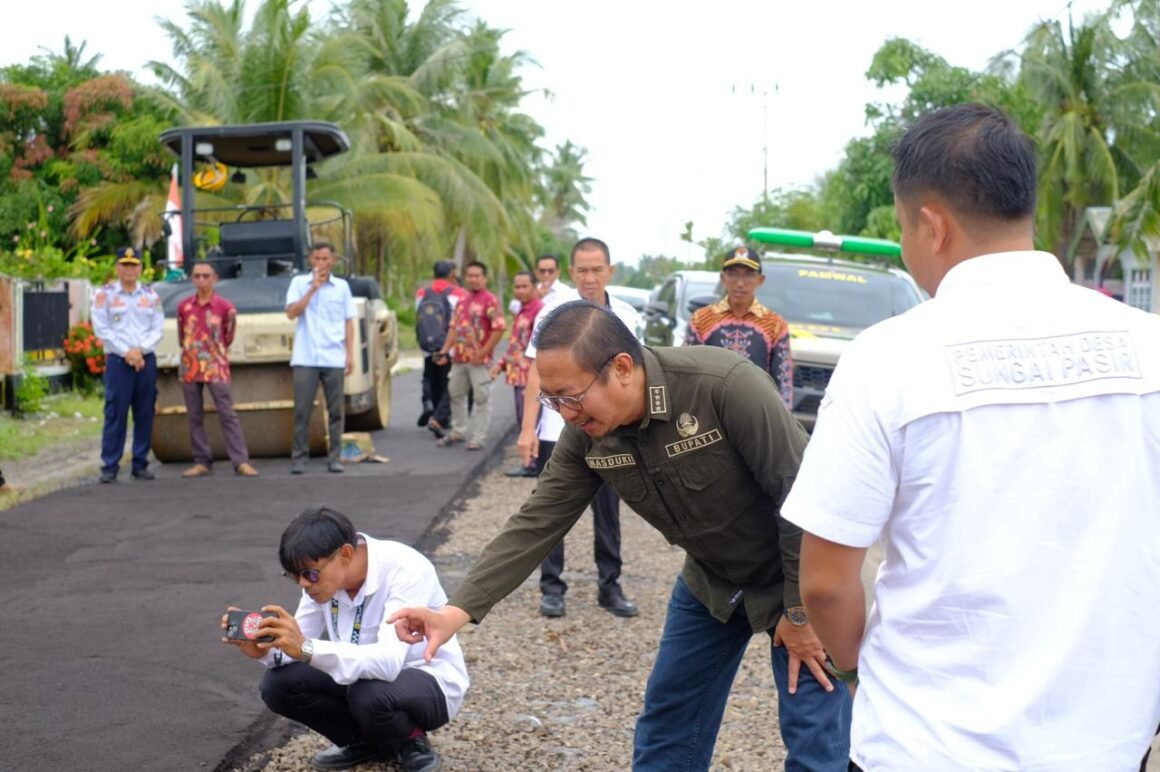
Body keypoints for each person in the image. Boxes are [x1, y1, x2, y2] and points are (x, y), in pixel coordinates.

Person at [783, 104, 1160, 771]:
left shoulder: (887, 359)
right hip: (1104, 745)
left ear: (932, 226)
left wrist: (859, 673)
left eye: (903, 227)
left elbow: (826, 583)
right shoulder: (1148, 348)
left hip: (927, 745)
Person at [390, 301, 852, 770]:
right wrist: (453, 613)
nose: (564, 413)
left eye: (571, 396)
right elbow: (537, 520)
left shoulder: (723, 386)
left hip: (800, 575)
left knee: (813, 734)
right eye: (551, 400)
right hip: (711, 580)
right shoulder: (588, 433)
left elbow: (804, 499)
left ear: (623, 369)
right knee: (669, 722)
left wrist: (800, 612)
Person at [221, 506, 467, 772]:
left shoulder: (405, 570)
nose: (303, 584)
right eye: (294, 576)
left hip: (428, 680)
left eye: (309, 573)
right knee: (278, 685)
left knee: (368, 693)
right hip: (362, 679)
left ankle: (411, 742)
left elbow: (388, 663)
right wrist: (264, 651)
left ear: (346, 554)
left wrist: (305, 647)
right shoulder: (320, 582)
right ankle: (366, 742)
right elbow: (299, 643)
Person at [518, 238, 641, 618]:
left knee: (609, 513)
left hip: (609, 431)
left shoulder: (626, 316)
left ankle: (610, 585)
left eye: (597, 270)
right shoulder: (552, 315)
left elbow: (637, 375)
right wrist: (528, 430)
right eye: (582, 270)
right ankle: (552, 587)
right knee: (552, 509)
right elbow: (535, 375)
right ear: (572, 273)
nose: (590, 277)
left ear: (610, 271)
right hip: (558, 430)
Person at [686, 246, 794, 411]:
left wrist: (782, 417)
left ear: (760, 280)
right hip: (710, 410)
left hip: (756, 410)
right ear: (723, 278)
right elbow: (688, 371)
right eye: (733, 274)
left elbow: (783, 379)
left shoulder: (775, 324)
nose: (740, 283)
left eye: (749, 275)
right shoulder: (701, 319)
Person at [177, 261, 258, 478]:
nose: (201, 280)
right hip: (190, 366)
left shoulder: (225, 307)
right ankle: (201, 460)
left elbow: (228, 336)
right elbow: (181, 336)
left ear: (215, 279)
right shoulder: (184, 306)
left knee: (227, 413)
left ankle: (240, 461)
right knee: (194, 415)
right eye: (197, 276)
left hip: (216, 366)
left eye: (206, 276)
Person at [92, 246, 164, 483]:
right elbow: (102, 329)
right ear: (117, 267)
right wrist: (127, 353)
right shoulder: (104, 295)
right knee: (116, 412)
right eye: (125, 265)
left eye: (134, 265)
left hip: (145, 359)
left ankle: (140, 463)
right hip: (118, 361)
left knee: (144, 412)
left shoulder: (151, 296)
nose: (129, 270)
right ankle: (110, 465)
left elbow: (157, 329)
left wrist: (140, 351)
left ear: (141, 268)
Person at [285, 242, 356, 475]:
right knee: (302, 410)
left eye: (325, 259)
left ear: (333, 260)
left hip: (333, 356)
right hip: (306, 356)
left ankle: (334, 458)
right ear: (310, 260)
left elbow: (348, 321)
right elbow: (291, 313)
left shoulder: (342, 287)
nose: (321, 263)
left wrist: (350, 354)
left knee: (336, 411)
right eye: (317, 258)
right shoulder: (298, 283)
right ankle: (299, 458)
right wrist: (312, 289)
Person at [430, 261, 504, 451]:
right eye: (470, 275)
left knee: (481, 398)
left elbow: (498, 329)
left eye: (477, 276)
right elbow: (454, 328)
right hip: (459, 359)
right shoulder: (462, 300)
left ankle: (478, 437)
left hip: (480, 361)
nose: (473, 279)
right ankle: (458, 431)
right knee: (455, 394)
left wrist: (483, 352)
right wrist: (444, 351)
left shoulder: (491, 300)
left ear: (485, 278)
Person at [489, 270, 543, 433]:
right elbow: (516, 344)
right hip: (518, 375)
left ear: (534, 287)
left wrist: (535, 383)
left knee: (530, 423)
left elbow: (542, 348)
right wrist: (500, 365)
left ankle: (533, 450)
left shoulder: (539, 311)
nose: (520, 291)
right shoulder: (521, 310)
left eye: (525, 286)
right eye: (517, 287)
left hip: (531, 376)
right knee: (522, 419)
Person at [414, 260, 463, 431]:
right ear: (452, 274)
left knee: (430, 376)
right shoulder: (457, 293)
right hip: (448, 344)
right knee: (447, 380)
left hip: (427, 343)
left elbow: (418, 316)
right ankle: (441, 417)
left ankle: (429, 403)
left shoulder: (422, 292)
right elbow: (459, 319)